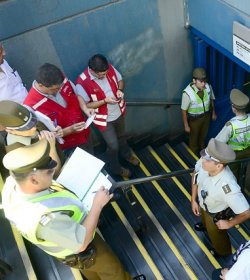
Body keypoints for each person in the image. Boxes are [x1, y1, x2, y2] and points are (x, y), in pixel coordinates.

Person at [1, 139, 145, 280]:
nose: (53, 171)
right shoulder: (43, 219)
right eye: (48, 172)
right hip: (86, 248)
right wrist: (97, 205)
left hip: (73, 252)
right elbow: (81, 243)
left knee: (92, 272)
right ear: (33, 180)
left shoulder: (13, 183)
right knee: (114, 273)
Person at [76, 54, 139, 178]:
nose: (104, 76)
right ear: (92, 70)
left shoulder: (109, 68)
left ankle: (127, 155)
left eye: (106, 73)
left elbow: (120, 80)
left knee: (122, 136)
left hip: (118, 112)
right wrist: (104, 101)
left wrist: (120, 90)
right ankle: (116, 168)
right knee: (113, 146)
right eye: (101, 75)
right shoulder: (82, 82)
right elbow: (87, 105)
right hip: (103, 120)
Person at [191, 138, 250, 257]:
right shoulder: (204, 164)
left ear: (219, 166)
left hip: (215, 214)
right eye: (204, 156)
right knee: (204, 220)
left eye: (207, 159)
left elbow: (247, 213)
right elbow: (195, 175)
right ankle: (205, 226)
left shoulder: (228, 187)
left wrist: (229, 224)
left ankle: (222, 252)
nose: (202, 159)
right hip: (203, 205)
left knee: (217, 235)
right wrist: (193, 199)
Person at [23, 63, 94, 155]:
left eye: (60, 87)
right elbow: (42, 136)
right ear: (41, 85)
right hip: (69, 147)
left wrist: (85, 109)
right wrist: (70, 130)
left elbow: (76, 95)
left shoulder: (61, 79)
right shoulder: (30, 106)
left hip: (85, 133)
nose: (59, 90)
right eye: (54, 89)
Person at [0, 100, 63, 178]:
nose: (34, 128)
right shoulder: (18, 152)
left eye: (33, 122)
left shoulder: (33, 126)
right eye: (27, 128)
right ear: (10, 130)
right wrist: (51, 149)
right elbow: (53, 175)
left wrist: (57, 133)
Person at [215, 88, 250, 178]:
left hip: (234, 154)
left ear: (234, 108)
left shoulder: (231, 125)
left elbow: (217, 143)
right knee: (243, 169)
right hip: (248, 151)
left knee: (232, 173)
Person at [181, 67, 217, 155]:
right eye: (201, 81)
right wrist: (186, 125)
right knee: (194, 138)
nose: (203, 83)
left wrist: (213, 112)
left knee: (203, 135)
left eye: (204, 81)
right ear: (194, 81)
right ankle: (193, 153)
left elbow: (212, 99)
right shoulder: (187, 93)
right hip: (194, 120)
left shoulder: (208, 87)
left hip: (206, 117)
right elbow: (183, 110)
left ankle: (202, 151)